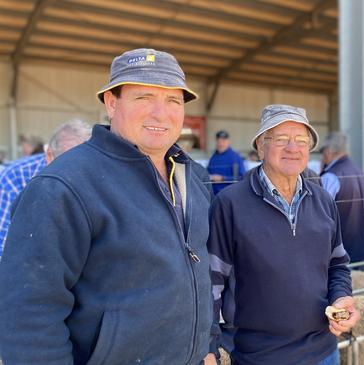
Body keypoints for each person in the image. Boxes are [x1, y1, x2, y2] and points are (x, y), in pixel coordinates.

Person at [0, 48, 214, 365]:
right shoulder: (64, 186)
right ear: (111, 103)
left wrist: (208, 345)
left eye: (173, 101)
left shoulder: (192, 177)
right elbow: (28, 312)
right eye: (144, 97)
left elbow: (198, 273)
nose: (161, 113)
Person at [208, 104, 359, 365]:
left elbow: (338, 264)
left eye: (301, 140)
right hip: (258, 357)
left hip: (324, 353)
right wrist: (210, 346)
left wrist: (342, 296)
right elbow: (211, 283)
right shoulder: (229, 204)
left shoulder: (323, 200)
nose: (293, 147)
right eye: (280, 139)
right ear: (260, 147)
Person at [0, 119, 91, 250]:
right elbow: (2, 248)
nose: (76, 177)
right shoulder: (14, 179)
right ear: (49, 155)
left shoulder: (98, 174)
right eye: (69, 167)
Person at [320, 132, 364, 263]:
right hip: (361, 248)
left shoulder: (330, 177)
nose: (322, 155)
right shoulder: (359, 172)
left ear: (329, 150)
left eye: (323, 150)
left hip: (340, 253)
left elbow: (320, 214)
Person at [207, 130, 245, 194]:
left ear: (229, 142)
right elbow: (207, 174)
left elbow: (242, 178)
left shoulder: (236, 157)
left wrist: (223, 178)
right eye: (219, 141)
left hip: (230, 196)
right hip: (213, 196)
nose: (221, 144)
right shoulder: (213, 158)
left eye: (223, 141)